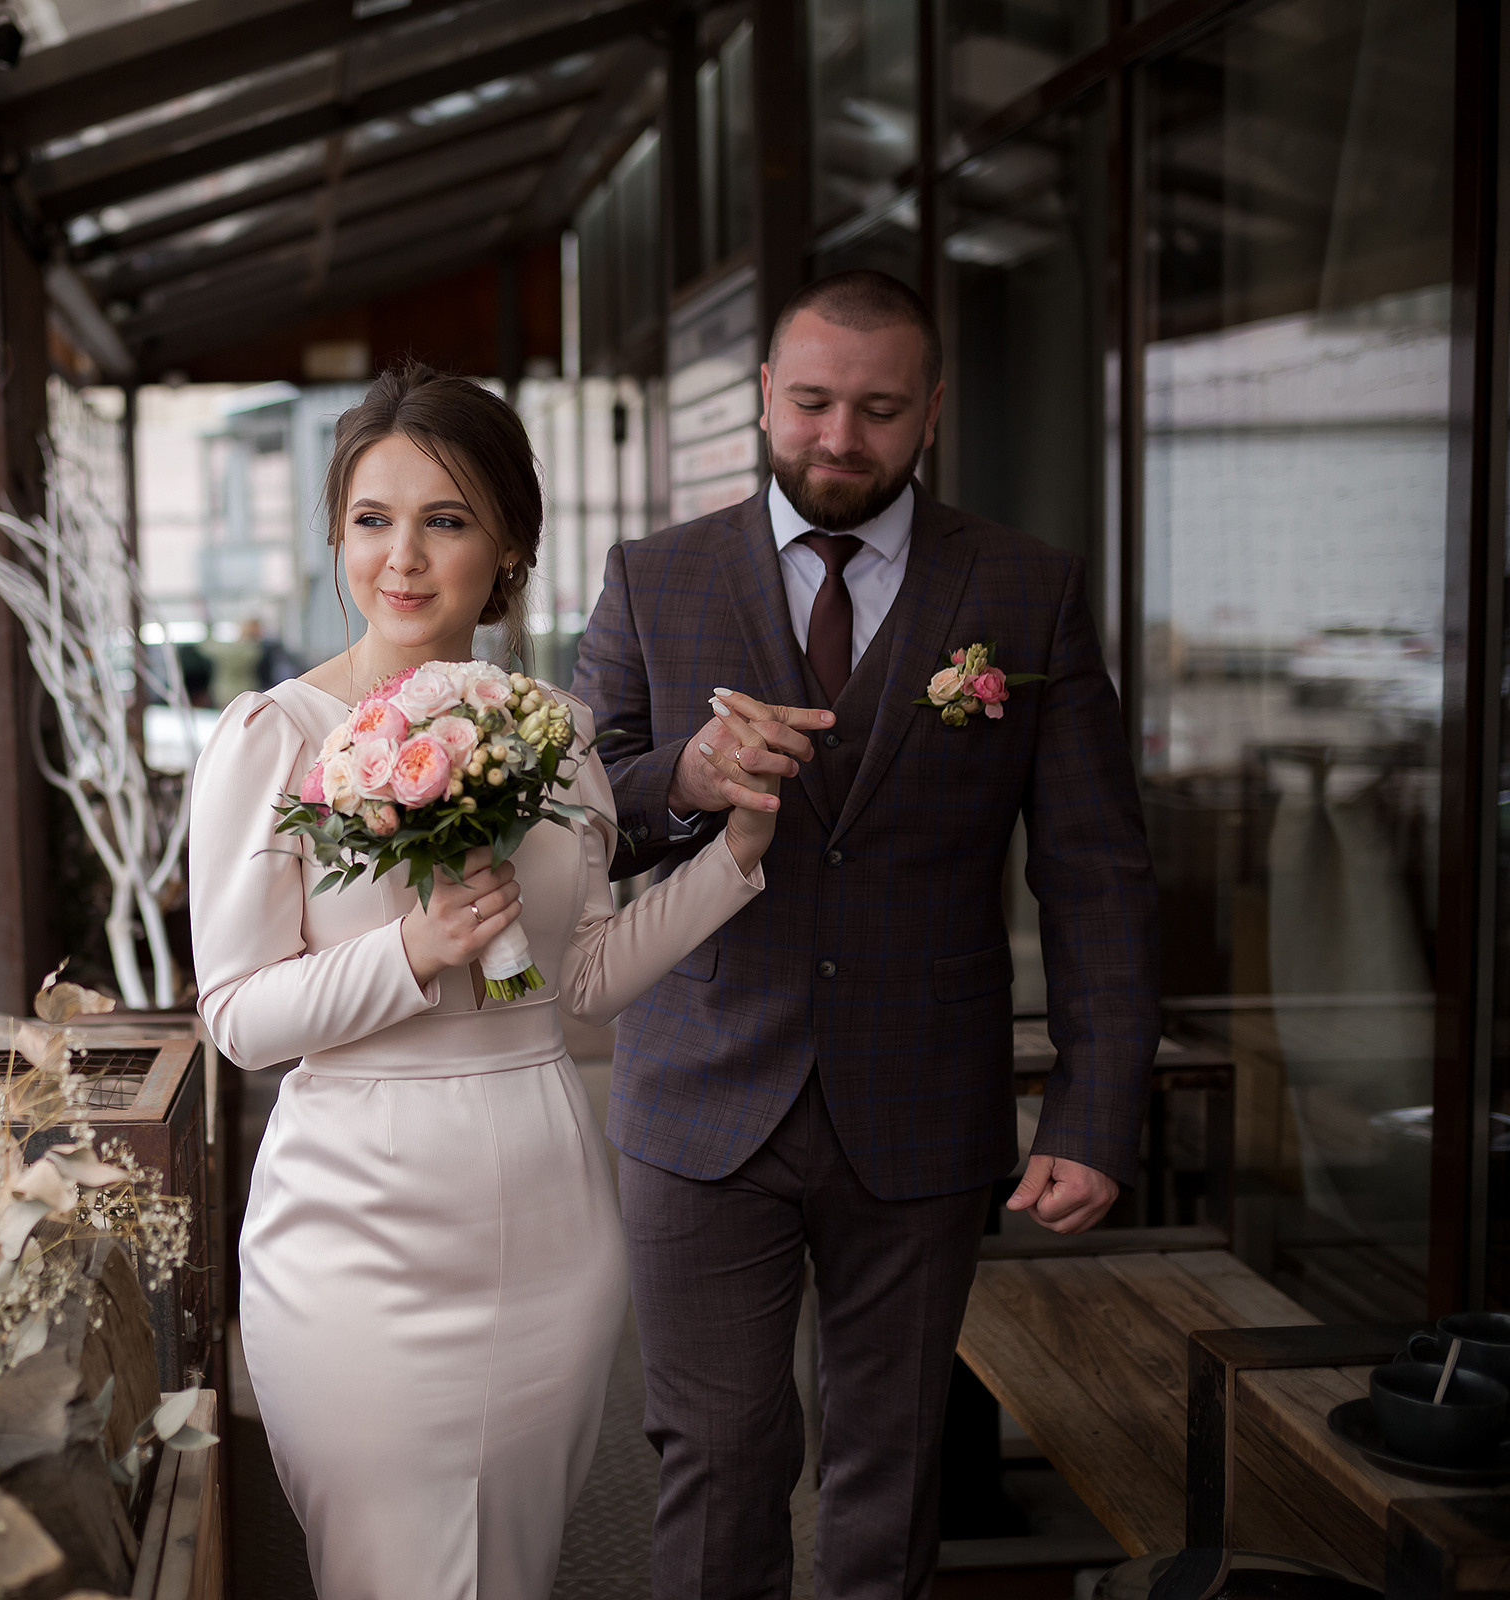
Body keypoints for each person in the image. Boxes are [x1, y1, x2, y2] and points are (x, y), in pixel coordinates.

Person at [188, 362, 827, 1600]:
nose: (405, 558)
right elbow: (238, 1019)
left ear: (509, 547)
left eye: (448, 518)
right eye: (374, 519)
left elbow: (583, 980)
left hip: (545, 1214)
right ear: (336, 534)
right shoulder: (277, 736)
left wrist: (733, 859)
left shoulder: (561, 733)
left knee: (515, 1566)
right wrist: (407, 955)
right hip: (353, 1222)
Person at [572, 269, 1159, 1600]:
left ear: (932, 413)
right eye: (817, 402)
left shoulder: (1028, 589)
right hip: (701, 1090)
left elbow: (1097, 872)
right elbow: (578, 815)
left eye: (881, 409)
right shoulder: (651, 579)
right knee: (717, 1454)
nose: (842, 438)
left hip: (925, 1096)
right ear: (766, 397)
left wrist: (1093, 1109)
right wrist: (691, 779)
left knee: (890, 1468)